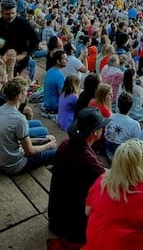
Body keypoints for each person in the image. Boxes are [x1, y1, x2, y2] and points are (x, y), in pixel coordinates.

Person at [48, 107, 108, 250]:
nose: (104, 130)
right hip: (73, 228)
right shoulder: (90, 163)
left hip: (56, 216)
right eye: (101, 127)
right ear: (95, 133)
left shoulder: (65, 144)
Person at [0, 78, 57, 174]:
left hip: (1, 160)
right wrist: (48, 145)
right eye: (26, 91)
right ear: (20, 95)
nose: (27, 93)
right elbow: (29, 151)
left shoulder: (1, 109)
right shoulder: (19, 119)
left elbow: (16, 140)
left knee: (46, 137)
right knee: (55, 152)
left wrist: (42, 140)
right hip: (14, 165)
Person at [0, 0, 38, 80]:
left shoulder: (23, 23)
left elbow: (35, 39)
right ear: (2, 12)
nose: (11, 16)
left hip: (20, 62)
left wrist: (24, 54)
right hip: (1, 62)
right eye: (7, 14)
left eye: (13, 13)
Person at [103, 91, 142, 163]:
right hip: (121, 160)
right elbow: (136, 147)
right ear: (131, 107)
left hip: (108, 154)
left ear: (118, 105)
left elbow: (106, 135)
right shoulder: (134, 125)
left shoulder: (110, 117)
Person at [42, 50, 67, 118]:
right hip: (54, 107)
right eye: (64, 59)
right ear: (58, 61)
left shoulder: (50, 70)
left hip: (47, 104)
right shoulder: (59, 75)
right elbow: (62, 95)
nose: (67, 60)